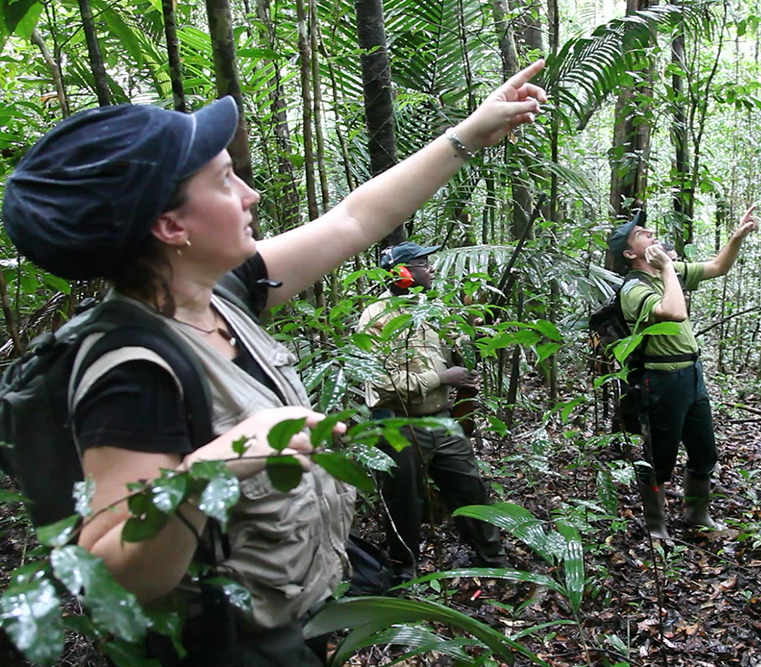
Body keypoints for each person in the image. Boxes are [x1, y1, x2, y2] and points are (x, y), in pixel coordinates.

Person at [1, 62, 546, 666]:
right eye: (226, 178)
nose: (249, 193)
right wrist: (221, 459)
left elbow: (354, 219)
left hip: (288, 622)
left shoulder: (220, 293)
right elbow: (115, 571)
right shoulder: (134, 367)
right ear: (170, 224)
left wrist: (470, 132)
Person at [356, 241, 505, 587]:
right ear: (402, 273)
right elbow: (381, 385)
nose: (432, 269)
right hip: (399, 423)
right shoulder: (376, 316)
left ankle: (494, 564)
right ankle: (403, 573)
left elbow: (462, 341)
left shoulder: (433, 310)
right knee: (404, 501)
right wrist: (442, 377)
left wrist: (475, 322)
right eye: (423, 263)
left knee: (471, 490)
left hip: (443, 419)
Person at [608, 205, 758, 539]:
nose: (649, 232)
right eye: (640, 233)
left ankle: (696, 515)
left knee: (704, 450)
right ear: (631, 252)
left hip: (691, 374)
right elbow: (674, 312)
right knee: (659, 458)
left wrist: (737, 235)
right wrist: (667, 269)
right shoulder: (634, 289)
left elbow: (718, 267)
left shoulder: (667, 271)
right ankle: (656, 526)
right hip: (660, 380)